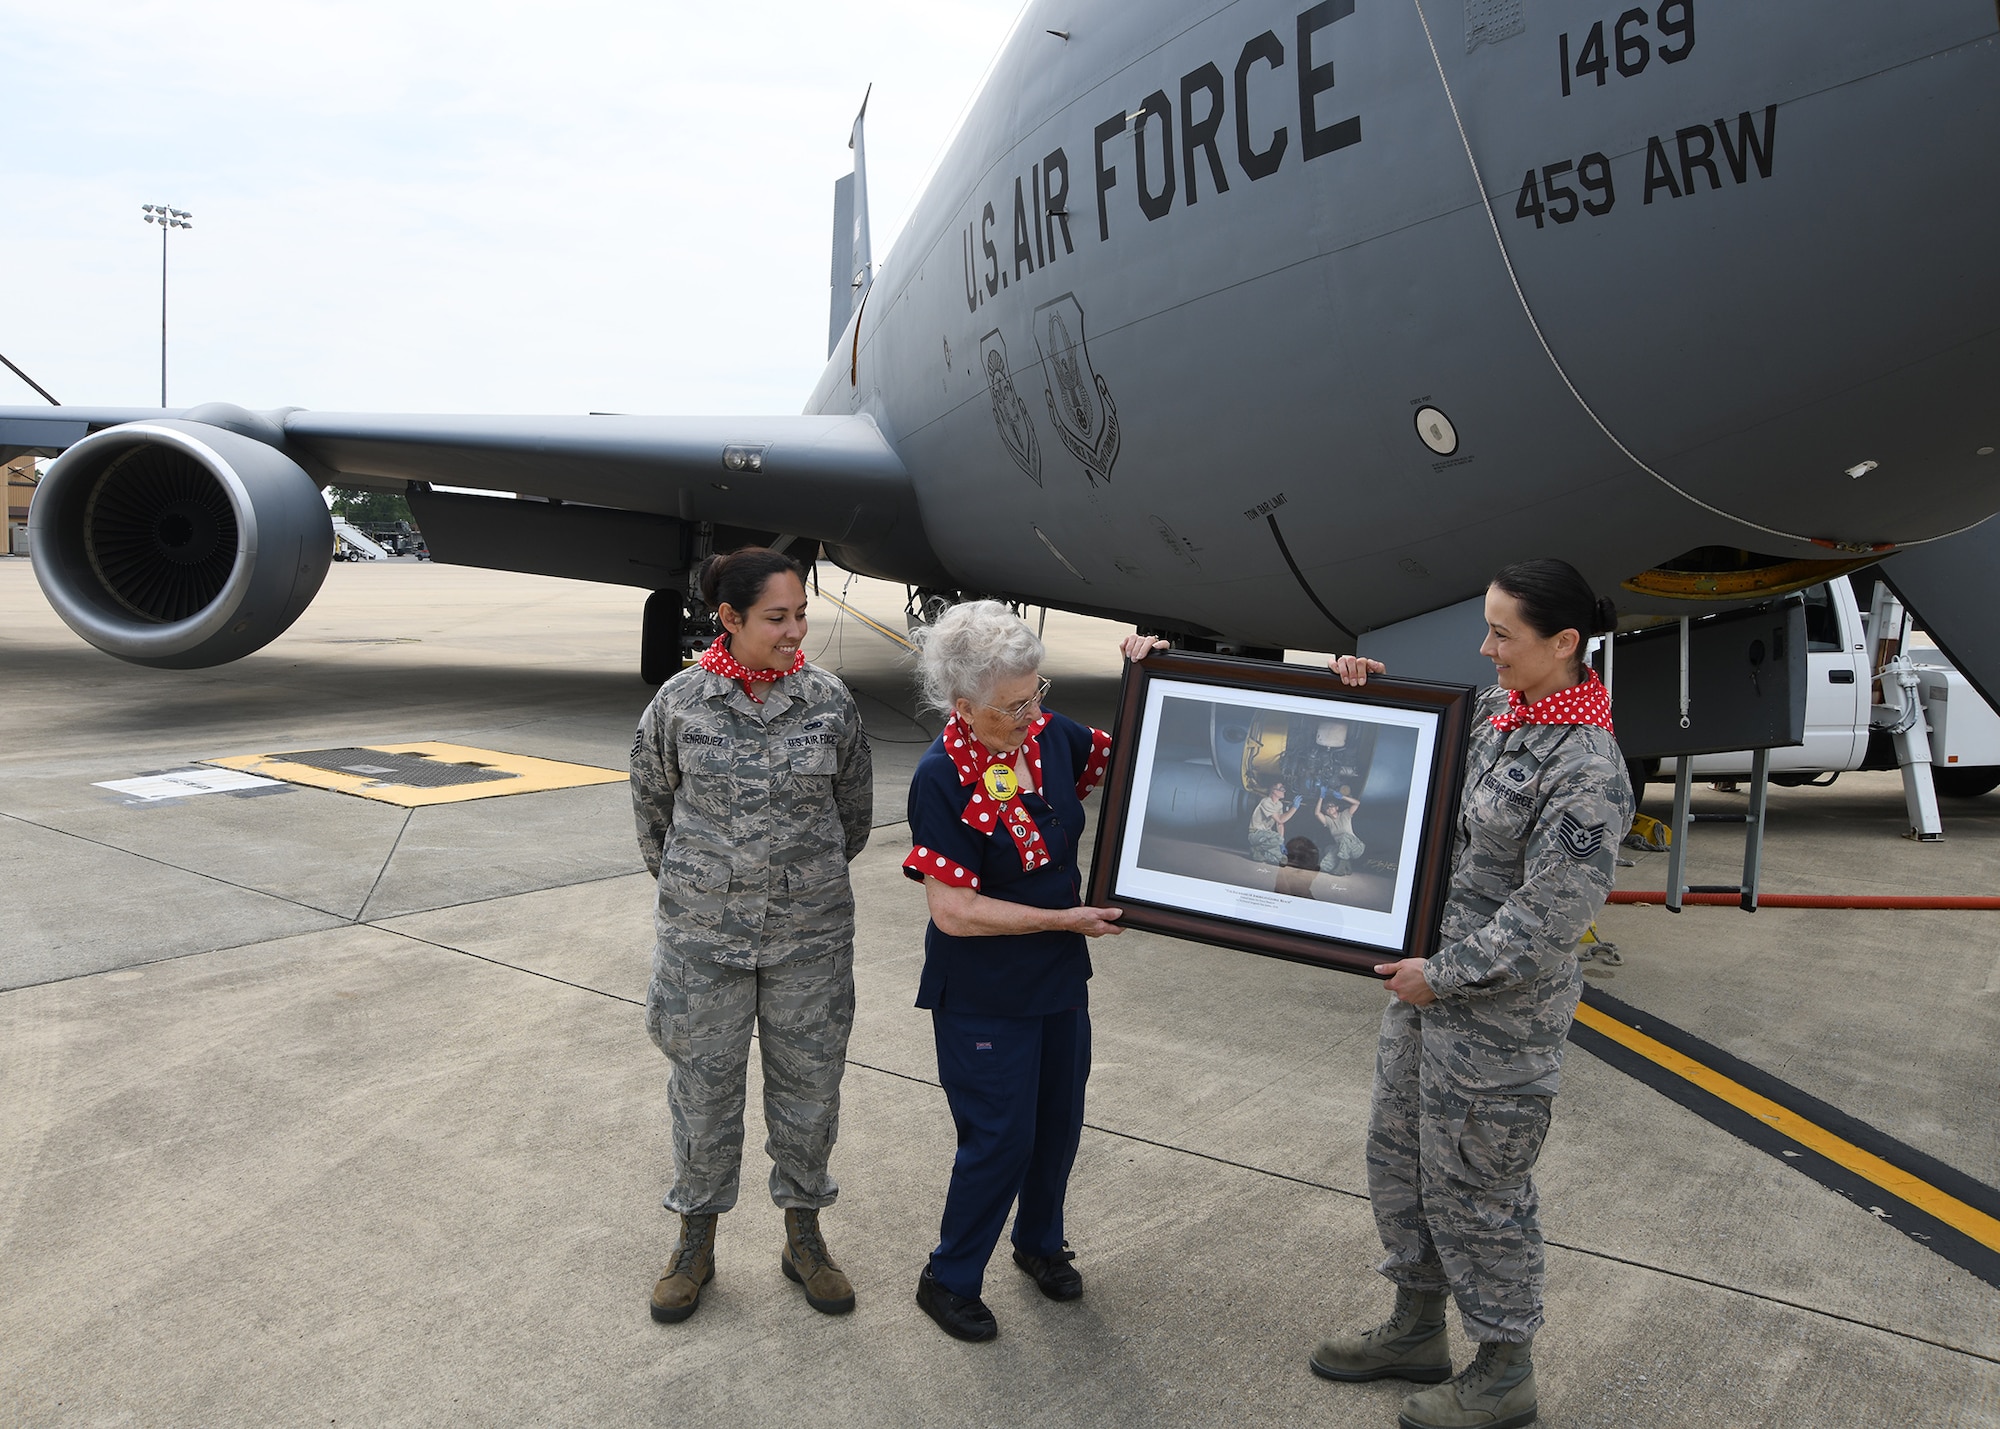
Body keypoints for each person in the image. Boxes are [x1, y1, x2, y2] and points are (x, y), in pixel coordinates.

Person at [1301, 558, 1631, 1429]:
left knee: (1481, 1189)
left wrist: (1438, 976)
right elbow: (1424, 757)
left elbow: (1550, 919)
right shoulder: (1499, 710)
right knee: (1401, 1157)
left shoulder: (1588, 771)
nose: (1484, 649)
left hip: (1495, 1024)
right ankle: (1416, 1329)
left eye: (1501, 634)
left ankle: (1504, 1370)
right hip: (1424, 996)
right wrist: (1366, 689)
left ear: (1564, 643)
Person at [900, 600, 1159, 1342]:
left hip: (1055, 979)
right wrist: (1063, 918)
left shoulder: (1047, 736)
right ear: (963, 704)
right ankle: (948, 1275)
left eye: (1036, 692)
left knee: (1058, 1125)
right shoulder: (939, 777)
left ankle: (1040, 1242)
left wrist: (1149, 674)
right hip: (984, 992)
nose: (1031, 713)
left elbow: (1131, 751)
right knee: (999, 1137)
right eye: (1012, 705)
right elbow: (952, 910)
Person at [630, 547, 874, 1325]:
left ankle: (804, 1234)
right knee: (702, 1098)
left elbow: (854, 816)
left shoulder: (830, 701)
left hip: (810, 940)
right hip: (704, 945)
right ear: (728, 619)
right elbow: (653, 817)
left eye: (802, 614)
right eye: (777, 617)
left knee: (810, 1095)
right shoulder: (679, 703)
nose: (796, 630)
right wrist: (709, 893)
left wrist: (795, 884)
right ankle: (694, 1242)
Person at [1314, 786, 1365, 876]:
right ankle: (1347, 866)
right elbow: (1317, 813)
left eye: (1332, 806)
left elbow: (1357, 803)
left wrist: (1342, 797)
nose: (1330, 808)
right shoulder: (1328, 821)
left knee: (1344, 837)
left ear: (1337, 807)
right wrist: (1321, 797)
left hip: (1356, 847)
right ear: (1326, 812)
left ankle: (1341, 868)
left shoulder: (1345, 814)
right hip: (1342, 849)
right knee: (1324, 865)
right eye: (1327, 808)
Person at [1248, 781, 1296, 864]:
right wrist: (1294, 808)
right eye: (1281, 789)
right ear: (1274, 791)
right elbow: (1280, 819)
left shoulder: (1279, 804)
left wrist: (1281, 843)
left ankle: (1259, 854)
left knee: (1283, 860)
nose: (1284, 791)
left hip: (1268, 837)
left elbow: (1280, 824)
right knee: (1277, 838)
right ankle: (1257, 848)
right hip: (1255, 834)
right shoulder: (1266, 802)